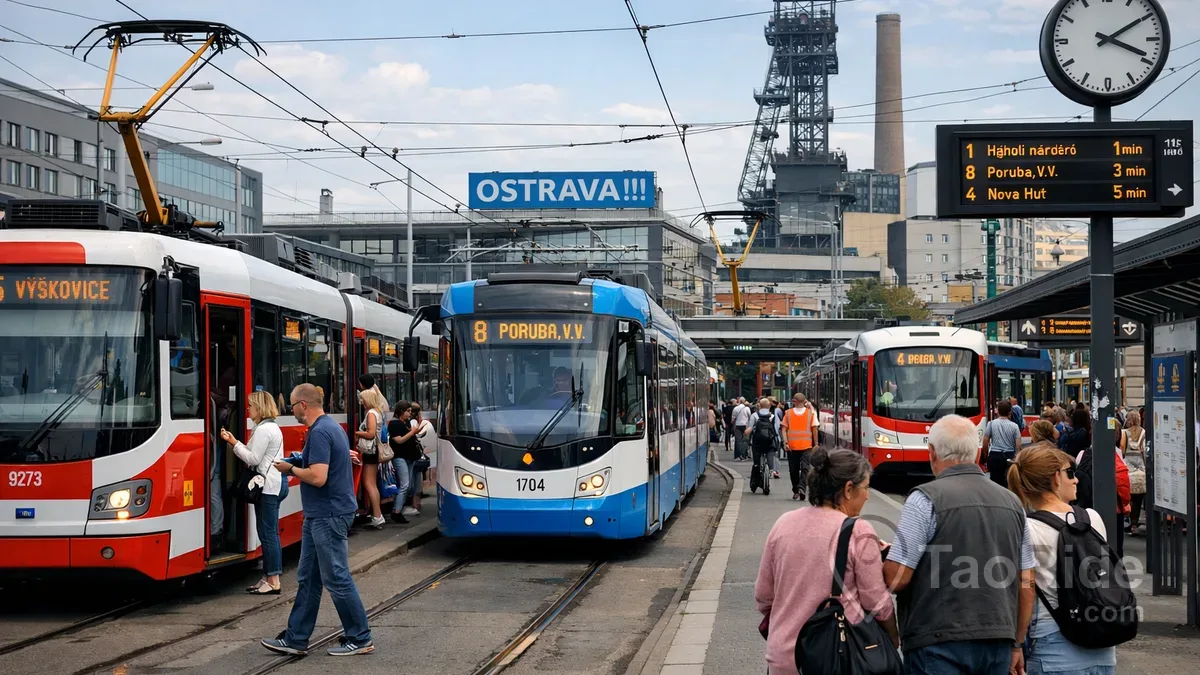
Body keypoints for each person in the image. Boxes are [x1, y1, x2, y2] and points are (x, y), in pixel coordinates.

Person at [883, 414, 1035, 675]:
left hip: (936, 641)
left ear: (932, 452)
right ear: (977, 451)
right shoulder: (1013, 504)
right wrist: (1017, 644)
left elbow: (898, 578)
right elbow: (1027, 584)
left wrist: (883, 556)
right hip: (998, 639)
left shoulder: (924, 500)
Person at [755, 448, 897, 675]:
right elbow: (876, 603)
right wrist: (893, 636)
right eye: (866, 488)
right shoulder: (858, 530)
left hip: (784, 657)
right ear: (849, 489)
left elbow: (763, 598)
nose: (868, 495)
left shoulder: (783, 523)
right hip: (837, 658)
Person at [263, 383, 373, 657]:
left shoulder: (321, 431)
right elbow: (319, 463)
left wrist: (290, 468)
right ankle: (296, 638)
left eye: (292, 405)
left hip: (328, 514)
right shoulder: (330, 427)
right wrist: (299, 459)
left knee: (336, 576)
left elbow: (318, 476)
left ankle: (360, 638)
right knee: (309, 578)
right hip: (321, 514)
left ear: (303, 405)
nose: (291, 410)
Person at [1008, 444, 1117, 674]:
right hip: (1102, 644)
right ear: (1055, 478)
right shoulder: (1092, 518)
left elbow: (1026, 590)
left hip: (1053, 647)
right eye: (1071, 473)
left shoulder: (1026, 529)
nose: (1076, 480)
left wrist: (1016, 644)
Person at [221, 390, 287, 595]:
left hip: (267, 487)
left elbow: (253, 459)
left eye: (251, 406)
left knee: (268, 534)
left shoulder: (263, 430)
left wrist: (233, 443)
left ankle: (274, 579)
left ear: (259, 408)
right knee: (269, 533)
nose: (248, 409)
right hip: (275, 484)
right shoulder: (270, 427)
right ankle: (268, 577)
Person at [354, 387, 388, 530]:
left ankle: (377, 516)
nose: (361, 402)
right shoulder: (378, 412)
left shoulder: (371, 414)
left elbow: (371, 433)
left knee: (369, 484)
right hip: (374, 452)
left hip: (370, 452)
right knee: (372, 483)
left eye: (362, 399)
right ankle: (377, 515)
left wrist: (357, 433)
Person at [779, 393, 819, 501]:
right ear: (804, 401)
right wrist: (816, 444)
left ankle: (799, 489)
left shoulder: (789, 413)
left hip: (796, 447)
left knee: (794, 470)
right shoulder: (810, 413)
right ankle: (798, 489)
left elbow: (783, 429)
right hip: (802, 446)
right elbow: (814, 429)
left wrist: (785, 442)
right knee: (804, 468)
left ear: (794, 401)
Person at [386, 401, 419, 524]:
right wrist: (412, 433)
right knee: (404, 485)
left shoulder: (405, 422)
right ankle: (397, 511)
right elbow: (399, 440)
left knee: (407, 485)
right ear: (401, 411)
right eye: (408, 411)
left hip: (409, 457)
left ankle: (398, 508)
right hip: (400, 457)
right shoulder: (394, 424)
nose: (410, 414)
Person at [982, 400, 1022, 488]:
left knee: (995, 483)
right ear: (1010, 411)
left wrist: (985, 457)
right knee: (1009, 482)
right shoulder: (1015, 426)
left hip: (995, 456)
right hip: (1009, 456)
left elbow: (985, 442)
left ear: (998, 411)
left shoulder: (991, 424)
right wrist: (1017, 459)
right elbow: (1018, 445)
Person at [1121, 412, 1147, 535]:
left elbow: (1122, 450)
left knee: (1130, 497)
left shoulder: (1124, 433)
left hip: (1128, 467)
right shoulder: (1143, 432)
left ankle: (1131, 521)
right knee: (1140, 497)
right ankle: (1136, 523)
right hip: (1141, 467)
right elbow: (1144, 450)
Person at [745, 398, 780, 482]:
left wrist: (746, 433)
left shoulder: (754, 415)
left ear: (759, 405)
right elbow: (777, 429)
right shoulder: (773, 416)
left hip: (757, 442)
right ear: (769, 406)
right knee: (770, 452)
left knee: (756, 459)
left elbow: (749, 429)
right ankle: (771, 469)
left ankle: (757, 469)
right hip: (769, 441)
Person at [732, 397, 752, 461]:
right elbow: (750, 417)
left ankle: (737, 456)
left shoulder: (735, 408)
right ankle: (744, 455)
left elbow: (732, 419)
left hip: (738, 425)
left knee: (738, 440)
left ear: (739, 401)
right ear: (744, 401)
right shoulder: (747, 409)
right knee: (745, 440)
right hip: (745, 426)